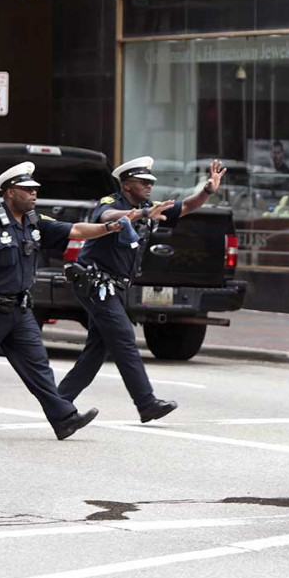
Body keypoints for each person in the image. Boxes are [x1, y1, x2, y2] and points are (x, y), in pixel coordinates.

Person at [0, 162, 130, 440]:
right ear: (10, 192)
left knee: (38, 367)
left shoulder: (34, 221)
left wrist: (111, 227)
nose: (34, 194)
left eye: (35, 189)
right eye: (27, 190)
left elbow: (76, 231)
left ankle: (63, 419)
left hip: (19, 310)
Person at [56, 156, 226, 422]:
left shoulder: (150, 206)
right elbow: (108, 216)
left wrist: (207, 190)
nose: (149, 186)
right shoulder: (112, 203)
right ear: (126, 185)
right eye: (143, 182)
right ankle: (146, 403)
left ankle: (59, 401)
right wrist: (142, 214)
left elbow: (184, 208)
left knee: (96, 351)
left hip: (118, 287)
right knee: (124, 340)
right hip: (97, 284)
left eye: (150, 182)